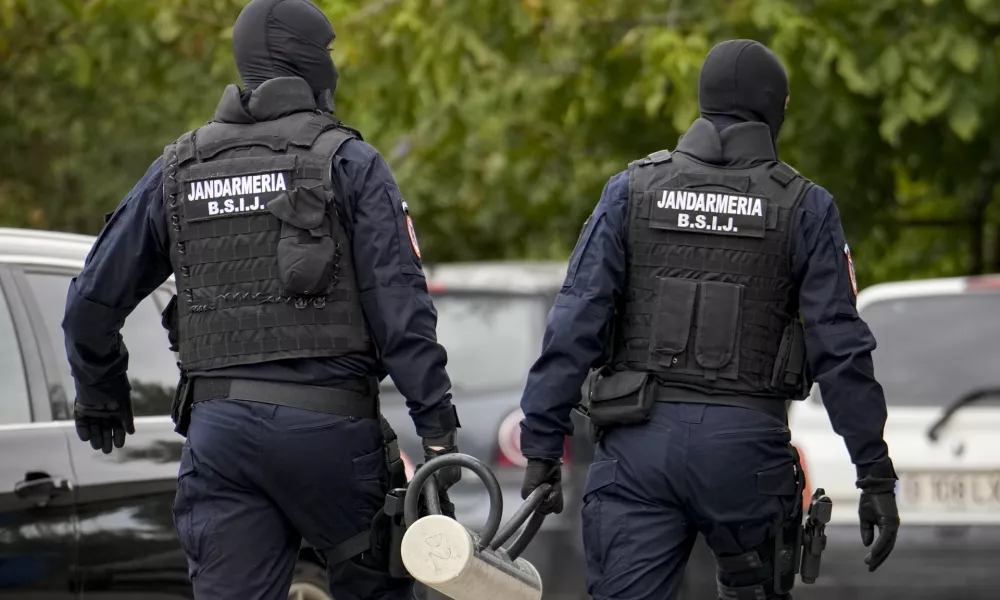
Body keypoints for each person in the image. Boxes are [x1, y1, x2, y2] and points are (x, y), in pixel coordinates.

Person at [61, 1, 461, 599]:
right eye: (326, 53)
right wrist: (437, 435)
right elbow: (402, 313)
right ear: (299, 60)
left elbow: (91, 302)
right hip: (330, 435)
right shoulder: (350, 162)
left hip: (221, 438)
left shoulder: (178, 169)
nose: (333, 68)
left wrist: (99, 390)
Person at [518, 39, 899, 600]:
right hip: (745, 455)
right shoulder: (805, 206)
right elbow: (840, 349)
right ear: (773, 108)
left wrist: (541, 448)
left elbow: (573, 322)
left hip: (637, 450)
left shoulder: (631, 190)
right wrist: (874, 471)